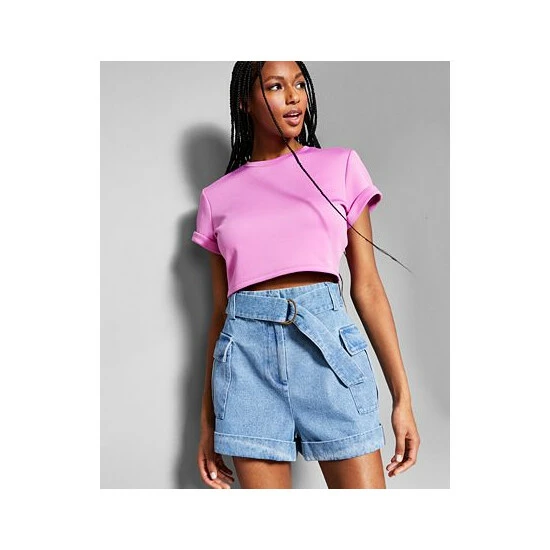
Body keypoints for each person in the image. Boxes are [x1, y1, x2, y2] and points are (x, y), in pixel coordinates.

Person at [191, 61, 420, 489]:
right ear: (245, 102)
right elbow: (220, 313)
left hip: (328, 351)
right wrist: (207, 422)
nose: (294, 96)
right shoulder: (216, 198)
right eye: (276, 86)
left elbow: (367, 286)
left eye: (299, 84)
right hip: (246, 365)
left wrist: (402, 398)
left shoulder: (341, 166)